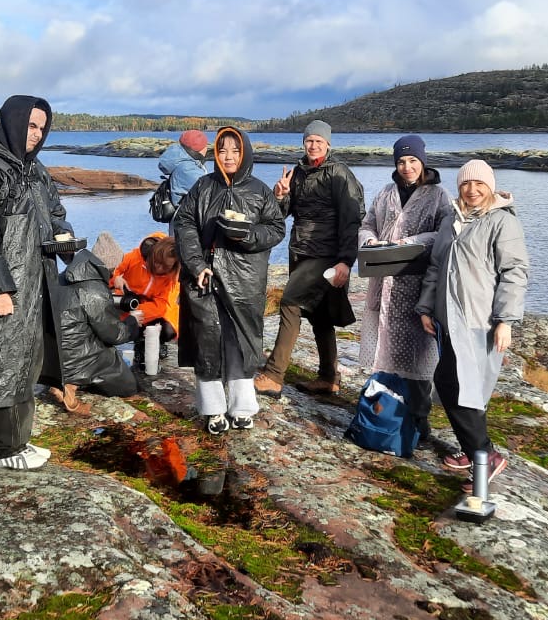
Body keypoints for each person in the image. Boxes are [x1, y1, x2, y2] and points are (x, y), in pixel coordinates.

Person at [0, 95, 72, 471]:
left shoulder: (35, 170)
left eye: (42, 128)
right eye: (30, 125)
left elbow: (55, 212)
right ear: (13, 122)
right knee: (1, 362)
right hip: (6, 286)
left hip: (36, 281)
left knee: (25, 362)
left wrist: (64, 235)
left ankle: (19, 442)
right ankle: (2, 450)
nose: (36, 134)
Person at [415, 159, 530, 483]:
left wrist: (506, 320)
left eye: (479, 183)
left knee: (457, 385)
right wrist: (426, 308)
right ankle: (473, 449)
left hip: (479, 320)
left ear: (490, 186)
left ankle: (485, 456)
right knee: (456, 385)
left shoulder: (502, 222)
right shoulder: (452, 219)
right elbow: (436, 267)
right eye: (466, 183)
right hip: (448, 319)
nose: (472, 189)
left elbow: (515, 272)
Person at [173, 126, 285, 434]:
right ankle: (213, 410)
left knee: (241, 342)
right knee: (207, 341)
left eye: (235, 150)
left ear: (245, 153)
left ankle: (242, 408)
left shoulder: (260, 190)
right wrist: (196, 265)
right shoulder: (203, 186)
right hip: (204, 278)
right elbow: (184, 224)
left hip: (245, 279)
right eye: (222, 150)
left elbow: (276, 228)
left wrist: (247, 234)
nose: (229, 156)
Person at [253, 120, 365, 397]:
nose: (313, 146)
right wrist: (281, 195)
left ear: (328, 144)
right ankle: (329, 377)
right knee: (319, 315)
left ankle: (274, 375)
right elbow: (282, 213)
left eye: (318, 141)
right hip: (300, 250)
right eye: (309, 141)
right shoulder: (299, 172)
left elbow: (352, 219)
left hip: (326, 254)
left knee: (290, 303)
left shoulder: (339, 173)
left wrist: (345, 261)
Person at [357, 135, 453, 444]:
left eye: (412, 161)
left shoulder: (439, 195)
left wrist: (411, 242)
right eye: (401, 161)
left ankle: (419, 420)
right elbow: (367, 224)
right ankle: (384, 415)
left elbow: (444, 233)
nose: (407, 167)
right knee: (384, 354)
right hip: (383, 280)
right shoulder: (386, 192)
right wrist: (370, 240)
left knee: (419, 358)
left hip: (417, 285)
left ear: (422, 162)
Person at [52, 248, 141, 415]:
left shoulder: (64, 276)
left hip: (55, 356)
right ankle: (70, 385)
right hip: (79, 358)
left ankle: (66, 381)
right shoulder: (93, 288)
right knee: (129, 386)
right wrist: (132, 322)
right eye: (114, 270)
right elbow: (114, 334)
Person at [111, 233, 181, 376]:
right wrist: (115, 279)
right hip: (129, 303)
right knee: (131, 329)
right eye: (157, 262)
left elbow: (161, 306)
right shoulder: (134, 258)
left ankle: (156, 343)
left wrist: (137, 312)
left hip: (152, 310)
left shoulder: (172, 278)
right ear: (153, 254)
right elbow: (112, 274)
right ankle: (140, 342)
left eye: (165, 266)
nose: (159, 268)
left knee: (168, 330)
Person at [157, 129, 210, 211]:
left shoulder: (184, 162)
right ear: (199, 149)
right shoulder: (188, 169)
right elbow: (208, 192)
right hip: (187, 215)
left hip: (183, 212)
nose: (206, 148)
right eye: (205, 145)